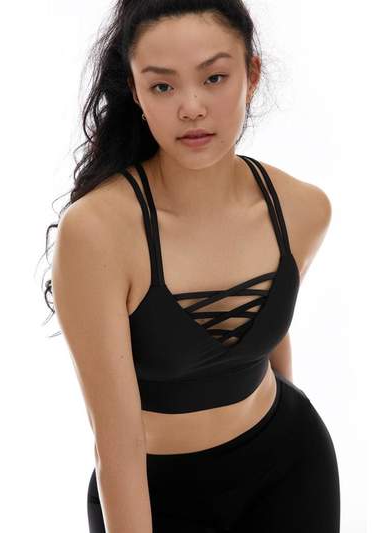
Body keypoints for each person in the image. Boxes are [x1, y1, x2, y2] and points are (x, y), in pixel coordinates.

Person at [49, 1, 341, 531]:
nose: (191, 107)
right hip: (155, 494)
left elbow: (271, 348)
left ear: (252, 74)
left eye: (214, 78)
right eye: (162, 86)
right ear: (135, 90)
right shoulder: (98, 232)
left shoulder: (301, 209)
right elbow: (116, 442)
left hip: (290, 472)